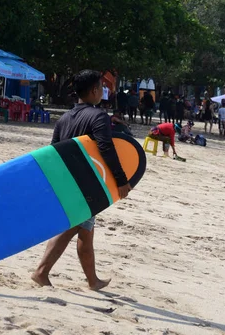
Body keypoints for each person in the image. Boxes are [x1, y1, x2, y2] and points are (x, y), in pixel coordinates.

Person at [31, 70, 131, 291]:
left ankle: (93, 280)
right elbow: (106, 147)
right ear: (95, 90)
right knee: (74, 224)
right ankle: (41, 272)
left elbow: (53, 151)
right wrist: (121, 180)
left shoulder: (65, 118)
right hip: (87, 183)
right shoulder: (98, 116)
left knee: (86, 230)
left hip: (66, 180)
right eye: (101, 88)